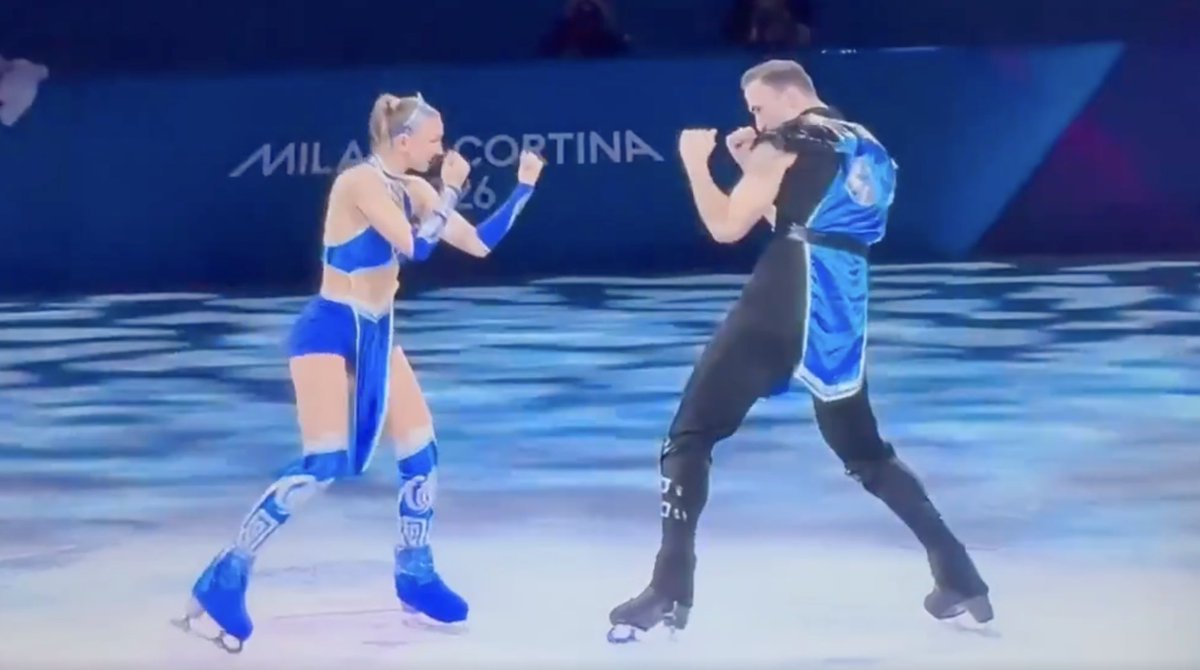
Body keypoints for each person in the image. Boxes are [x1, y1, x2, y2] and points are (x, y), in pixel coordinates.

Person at [606, 60, 992, 643]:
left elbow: (725, 227)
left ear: (789, 99)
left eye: (757, 109)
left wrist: (694, 161)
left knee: (689, 436)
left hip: (784, 293)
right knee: (867, 453)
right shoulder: (865, 143)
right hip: (840, 300)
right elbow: (801, 216)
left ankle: (669, 588)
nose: (754, 121)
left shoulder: (786, 139)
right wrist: (748, 166)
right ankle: (959, 572)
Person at [173, 93, 546, 653]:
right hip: (329, 331)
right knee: (323, 464)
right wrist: (451, 188)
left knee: (421, 450)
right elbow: (415, 248)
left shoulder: (415, 189)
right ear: (403, 142)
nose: (441, 148)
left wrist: (524, 187)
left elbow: (478, 245)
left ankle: (414, 572)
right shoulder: (361, 184)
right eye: (433, 140)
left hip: (377, 334)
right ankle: (225, 573)